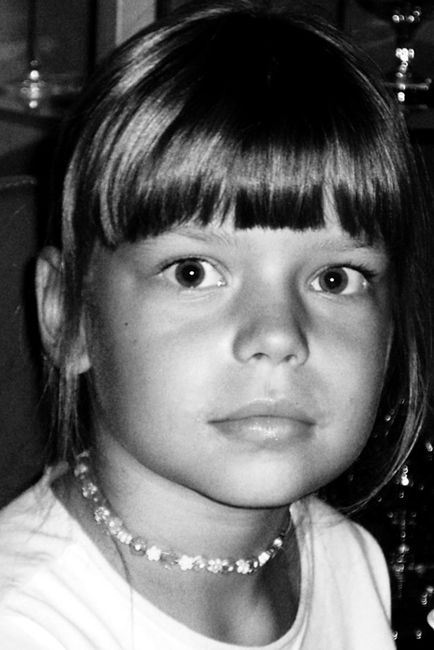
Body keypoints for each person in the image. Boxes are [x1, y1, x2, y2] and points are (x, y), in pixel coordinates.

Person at [0, 1, 433, 647]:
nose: (279, 336)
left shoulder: (347, 559)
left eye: (334, 278)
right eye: (193, 272)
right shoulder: (24, 626)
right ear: (66, 316)